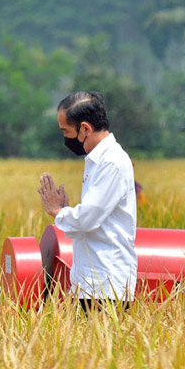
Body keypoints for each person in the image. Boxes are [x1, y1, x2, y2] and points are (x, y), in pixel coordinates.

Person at [37, 91, 138, 311]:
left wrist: (57, 211)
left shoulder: (112, 162)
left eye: (66, 132)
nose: (65, 139)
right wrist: (66, 211)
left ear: (85, 129)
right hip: (90, 283)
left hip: (106, 284)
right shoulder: (96, 159)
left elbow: (88, 219)